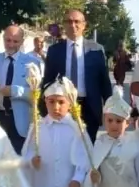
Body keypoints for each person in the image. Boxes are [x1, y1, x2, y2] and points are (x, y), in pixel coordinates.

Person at [41, 9, 113, 142]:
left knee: (88, 148)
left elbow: (104, 83)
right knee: (64, 146)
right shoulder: (55, 50)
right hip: (63, 107)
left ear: (84, 25)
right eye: (69, 21)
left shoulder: (96, 49)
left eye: (76, 21)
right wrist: (43, 109)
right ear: (64, 25)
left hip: (90, 107)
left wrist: (110, 108)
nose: (73, 25)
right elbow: (48, 81)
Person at [0, 25, 38, 154]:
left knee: (18, 159)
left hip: (19, 119)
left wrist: (15, 91)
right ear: (3, 39)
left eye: (15, 41)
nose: (10, 44)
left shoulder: (32, 63)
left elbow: (36, 96)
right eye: (8, 40)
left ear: (22, 41)